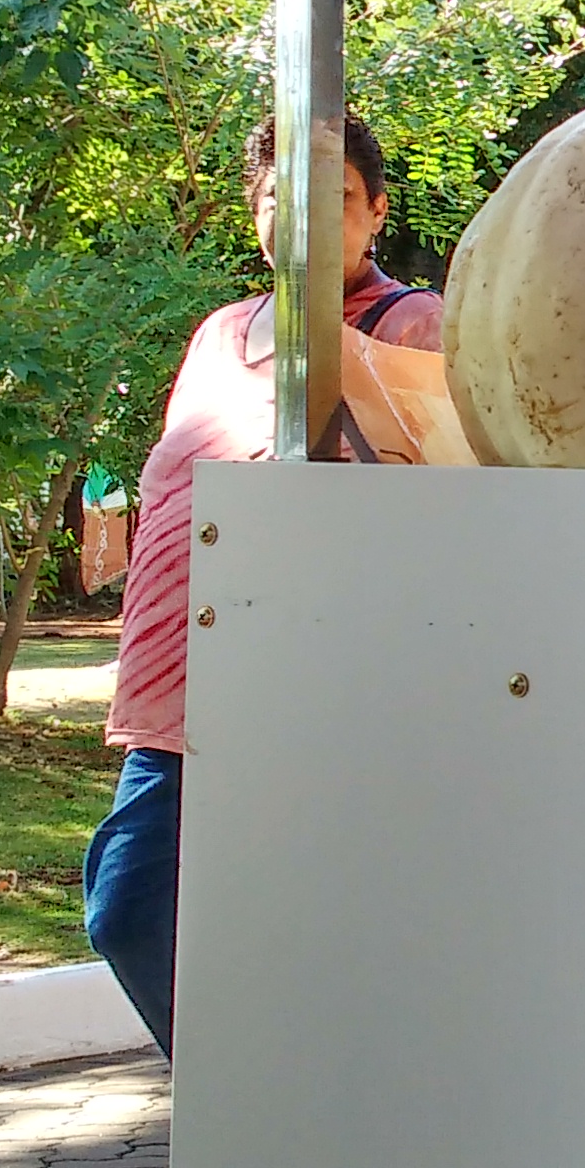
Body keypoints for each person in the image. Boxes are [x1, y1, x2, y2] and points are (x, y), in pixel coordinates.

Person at [84, 116, 439, 1055]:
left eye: (334, 201)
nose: (302, 218)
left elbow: (448, 514)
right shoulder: (218, 334)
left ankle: (270, 1118)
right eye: (279, 197)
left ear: (376, 214)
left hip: (313, 696)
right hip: (178, 699)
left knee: (138, 907)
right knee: (132, 912)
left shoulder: (413, 328)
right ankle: (250, 1120)